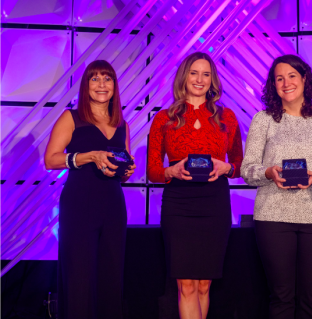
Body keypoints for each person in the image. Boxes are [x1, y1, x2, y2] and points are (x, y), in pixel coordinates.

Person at [241, 54, 312, 319]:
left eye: (291, 76)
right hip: (272, 217)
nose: (286, 83)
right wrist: (268, 172)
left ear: (304, 79)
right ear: (273, 85)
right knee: (281, 297)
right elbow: (247, 170)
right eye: (279, 78)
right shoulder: (262, 120)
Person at [147, 52, 243, 319]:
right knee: (186, 285)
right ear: (184, 77)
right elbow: (153, 171)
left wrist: (228, 168)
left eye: (206, 74)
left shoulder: (228, 117)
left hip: (215, 202)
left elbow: (239, 164)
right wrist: (171, 170)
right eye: (194, 73)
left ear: (212, 80)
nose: (200, 79)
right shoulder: (163, 118)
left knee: (204, 284)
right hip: (179, 203)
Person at [45, 60, 136, 318]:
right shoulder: (71, 117)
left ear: (114, 86)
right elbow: (50, 159)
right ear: (85, 86)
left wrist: (128, 170)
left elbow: (123, 167)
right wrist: (89, 156)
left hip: (113, 205)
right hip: (79, 203)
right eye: (94, 79)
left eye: (107, 79)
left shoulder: (122, 124)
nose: (101, 84)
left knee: (111, 274)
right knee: (79, 276)